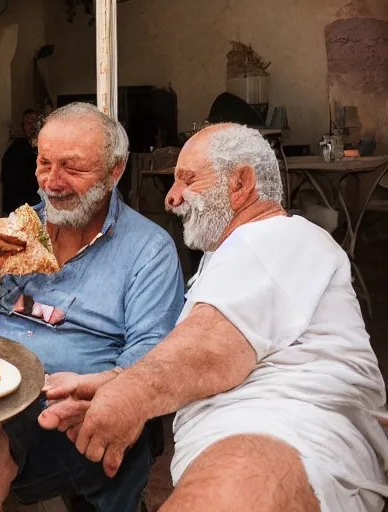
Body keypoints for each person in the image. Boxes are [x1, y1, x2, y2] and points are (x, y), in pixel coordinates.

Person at [40, 124, 388, 511]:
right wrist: (111, 383)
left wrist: (129, 396)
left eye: (187, 179)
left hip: (277, 440)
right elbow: (206, 355)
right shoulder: (237, 256)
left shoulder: (276, 236)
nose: (172, 198)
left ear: (240, 183)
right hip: (257, 443)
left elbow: (211, 346)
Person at [0, 103, 184, 512]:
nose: (52, 183)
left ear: (115, 171)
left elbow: (149, 360)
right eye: (43, 163)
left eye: (72, 168)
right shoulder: (21, 229)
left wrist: (99, 393)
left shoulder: (148, 249)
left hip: (69, 411)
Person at [0, 108, 44, 215]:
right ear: (24, 126)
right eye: (29, 123)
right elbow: (7, 177)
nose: (32, 126)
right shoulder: (16, 147)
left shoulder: (47, 146)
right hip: (21, 203)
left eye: (36, 122)